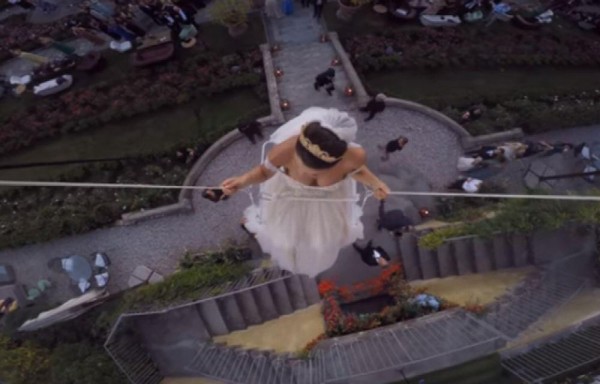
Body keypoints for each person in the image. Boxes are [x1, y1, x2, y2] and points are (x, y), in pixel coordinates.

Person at [220, 107, 390, 277]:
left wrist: (376, 184)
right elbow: (264, 172)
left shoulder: (354, 156)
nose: (311, 174)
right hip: (289, 198)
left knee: (322, 240)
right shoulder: (286, 149)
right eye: (305, 167)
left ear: (338, 159)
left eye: (316, 172)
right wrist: (241, 181)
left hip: (327, 202)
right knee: (285, 237)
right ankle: (292, 257)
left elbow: (357, 171)